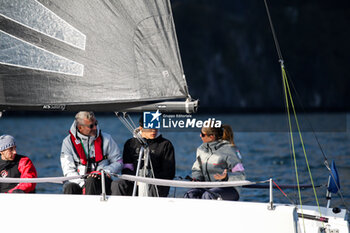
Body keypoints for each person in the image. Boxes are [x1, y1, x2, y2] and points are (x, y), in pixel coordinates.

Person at [60, 111, 123, 195]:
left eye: (96, 124)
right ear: (80, 128)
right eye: (91, 126)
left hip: (102, 181)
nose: (95, 128)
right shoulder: (68, 142)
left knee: (91, 181)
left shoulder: (107, 139)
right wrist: (82, 184)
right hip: (79, 182)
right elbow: (68, 170)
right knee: (69, 187)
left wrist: (104, 172)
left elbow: (118, 162)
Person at [112, 117, 175, 197]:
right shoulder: (130, 143)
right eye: (150, 128)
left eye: (156, 127)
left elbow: (169, 172)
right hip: (134, 181)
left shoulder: (166, 145)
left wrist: (149, 179)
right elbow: (126, 168)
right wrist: (137, 180)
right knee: (117, 184)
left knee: (154, 186)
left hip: (156, 183)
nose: (153, 130)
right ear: (141, 128)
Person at [184, 124, 245, 200]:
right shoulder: (201, 149)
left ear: (211, 136)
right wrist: (197, 179)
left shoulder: (229, 150)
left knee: (208, 196)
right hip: (208, 187)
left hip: (229, 189)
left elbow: (240, 173)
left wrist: (226, 177)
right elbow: (197, 169)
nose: (200, 135)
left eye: (203, 134)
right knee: (190, 195)